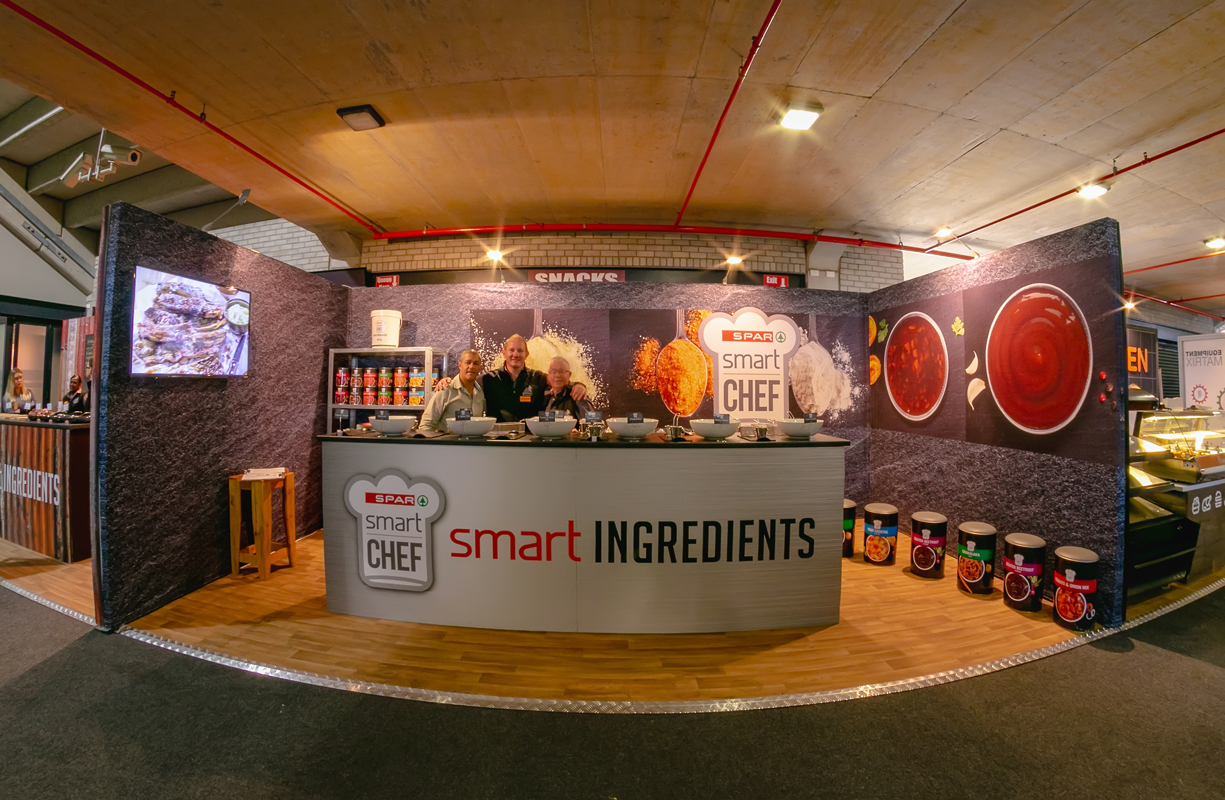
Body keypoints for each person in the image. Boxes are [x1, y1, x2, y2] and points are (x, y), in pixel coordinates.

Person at [447, 335, 587, 423]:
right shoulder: (488, 379)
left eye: (520, 351)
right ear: (504, 353)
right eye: (512, 350)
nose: (516, 354)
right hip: (498, 439)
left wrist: (578, 385)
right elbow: (466, 380)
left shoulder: (537, 377)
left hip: (530, 439)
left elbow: (558, 380)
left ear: (526, 354)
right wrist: (446, 381)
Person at [419, 350, 486, 432]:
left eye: (475, 363)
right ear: (460, 365)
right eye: (467, 363)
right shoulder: (445, 389)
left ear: (480, 368)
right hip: (447, 440)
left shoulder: (480, 393)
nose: (471, 366)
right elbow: (426, 425)